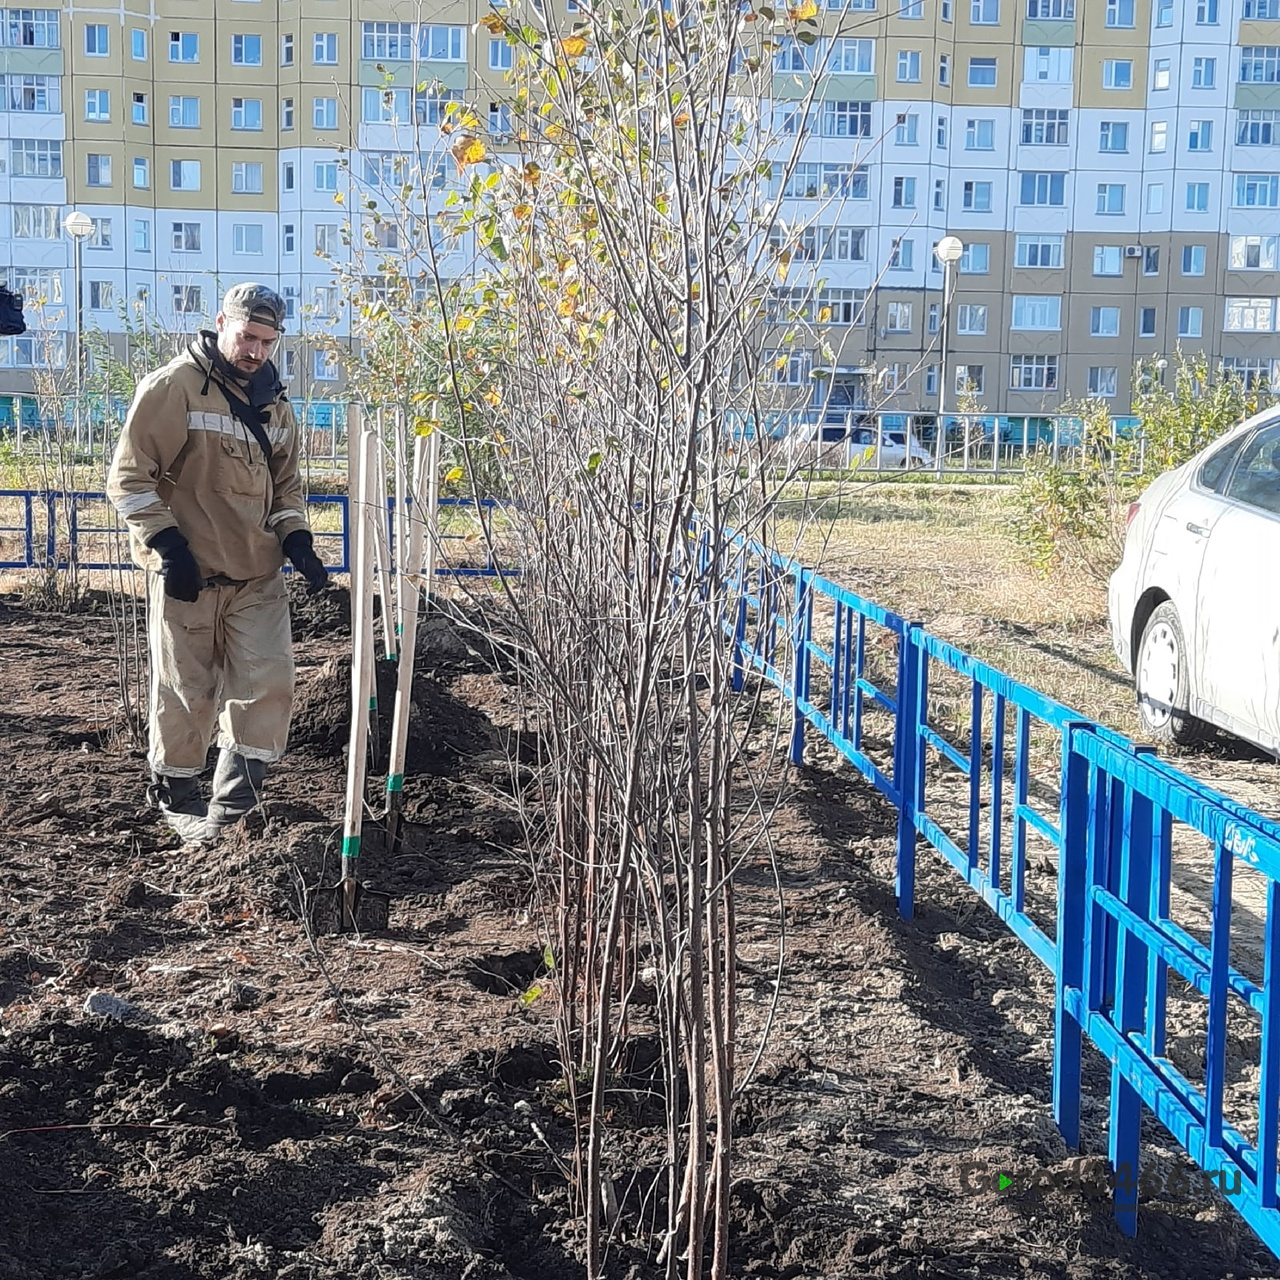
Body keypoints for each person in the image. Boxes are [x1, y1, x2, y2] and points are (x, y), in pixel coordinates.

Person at [107, 282, 330, 843]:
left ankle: (232, 811)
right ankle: (175, 797)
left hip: (257, 573)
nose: (255, 350)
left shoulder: (277, 404)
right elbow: (129, 478)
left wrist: (297, 539)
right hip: (190, 574)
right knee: (188, 689)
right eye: (247, 336)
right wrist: (168, 547)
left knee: (269, 681)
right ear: (220, 324)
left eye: (267, 341)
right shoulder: (173, 388)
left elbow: (286, 487)